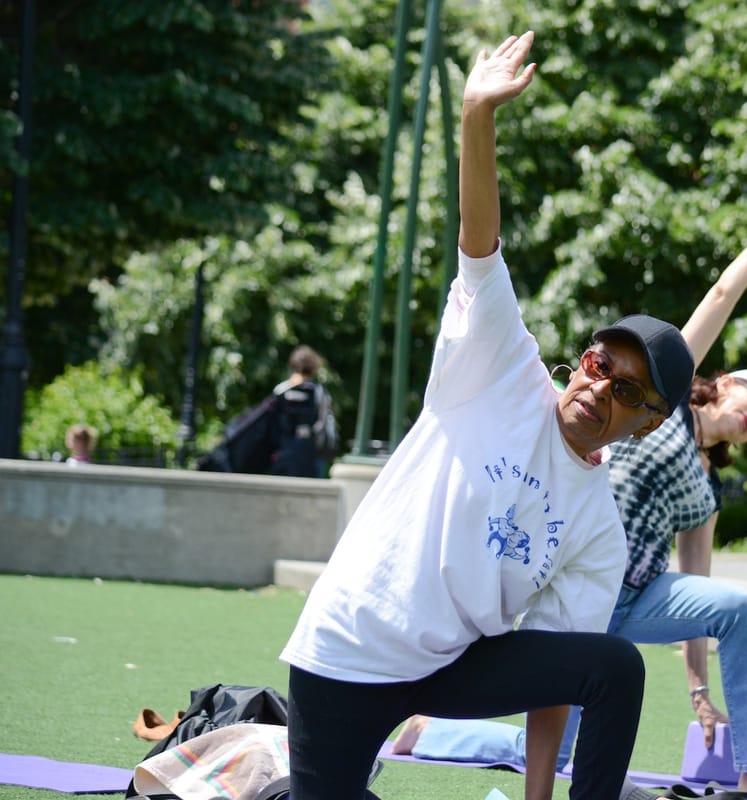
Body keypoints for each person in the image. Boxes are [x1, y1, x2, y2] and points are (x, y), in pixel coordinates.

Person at [280, 31, 696, 800]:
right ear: (584, 360)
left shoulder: (599, 529)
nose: (605, 389)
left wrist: (538, 794)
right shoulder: (498, 370)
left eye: (632, 394)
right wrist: (478, 116)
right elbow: (481, 246)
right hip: (350, 649)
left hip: (452, 665)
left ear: (648, 425)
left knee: (613, 666)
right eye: (605, 366)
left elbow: (557, 674)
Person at [394, 162, 747, 793]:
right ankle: (432, 731)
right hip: (579, 583)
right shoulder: (658, 399)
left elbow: (697, 581)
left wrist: (698, 691)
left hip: (639, 593)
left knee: (741, 607)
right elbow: (721, 295)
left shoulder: (707, 490)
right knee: (553, 745)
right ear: (728, 383)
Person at [270, 345, 336, 478]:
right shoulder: (319, 391)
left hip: (284, 450)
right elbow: (323, 422)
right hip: (311, 452)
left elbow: (272, 422)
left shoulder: (281, 390)